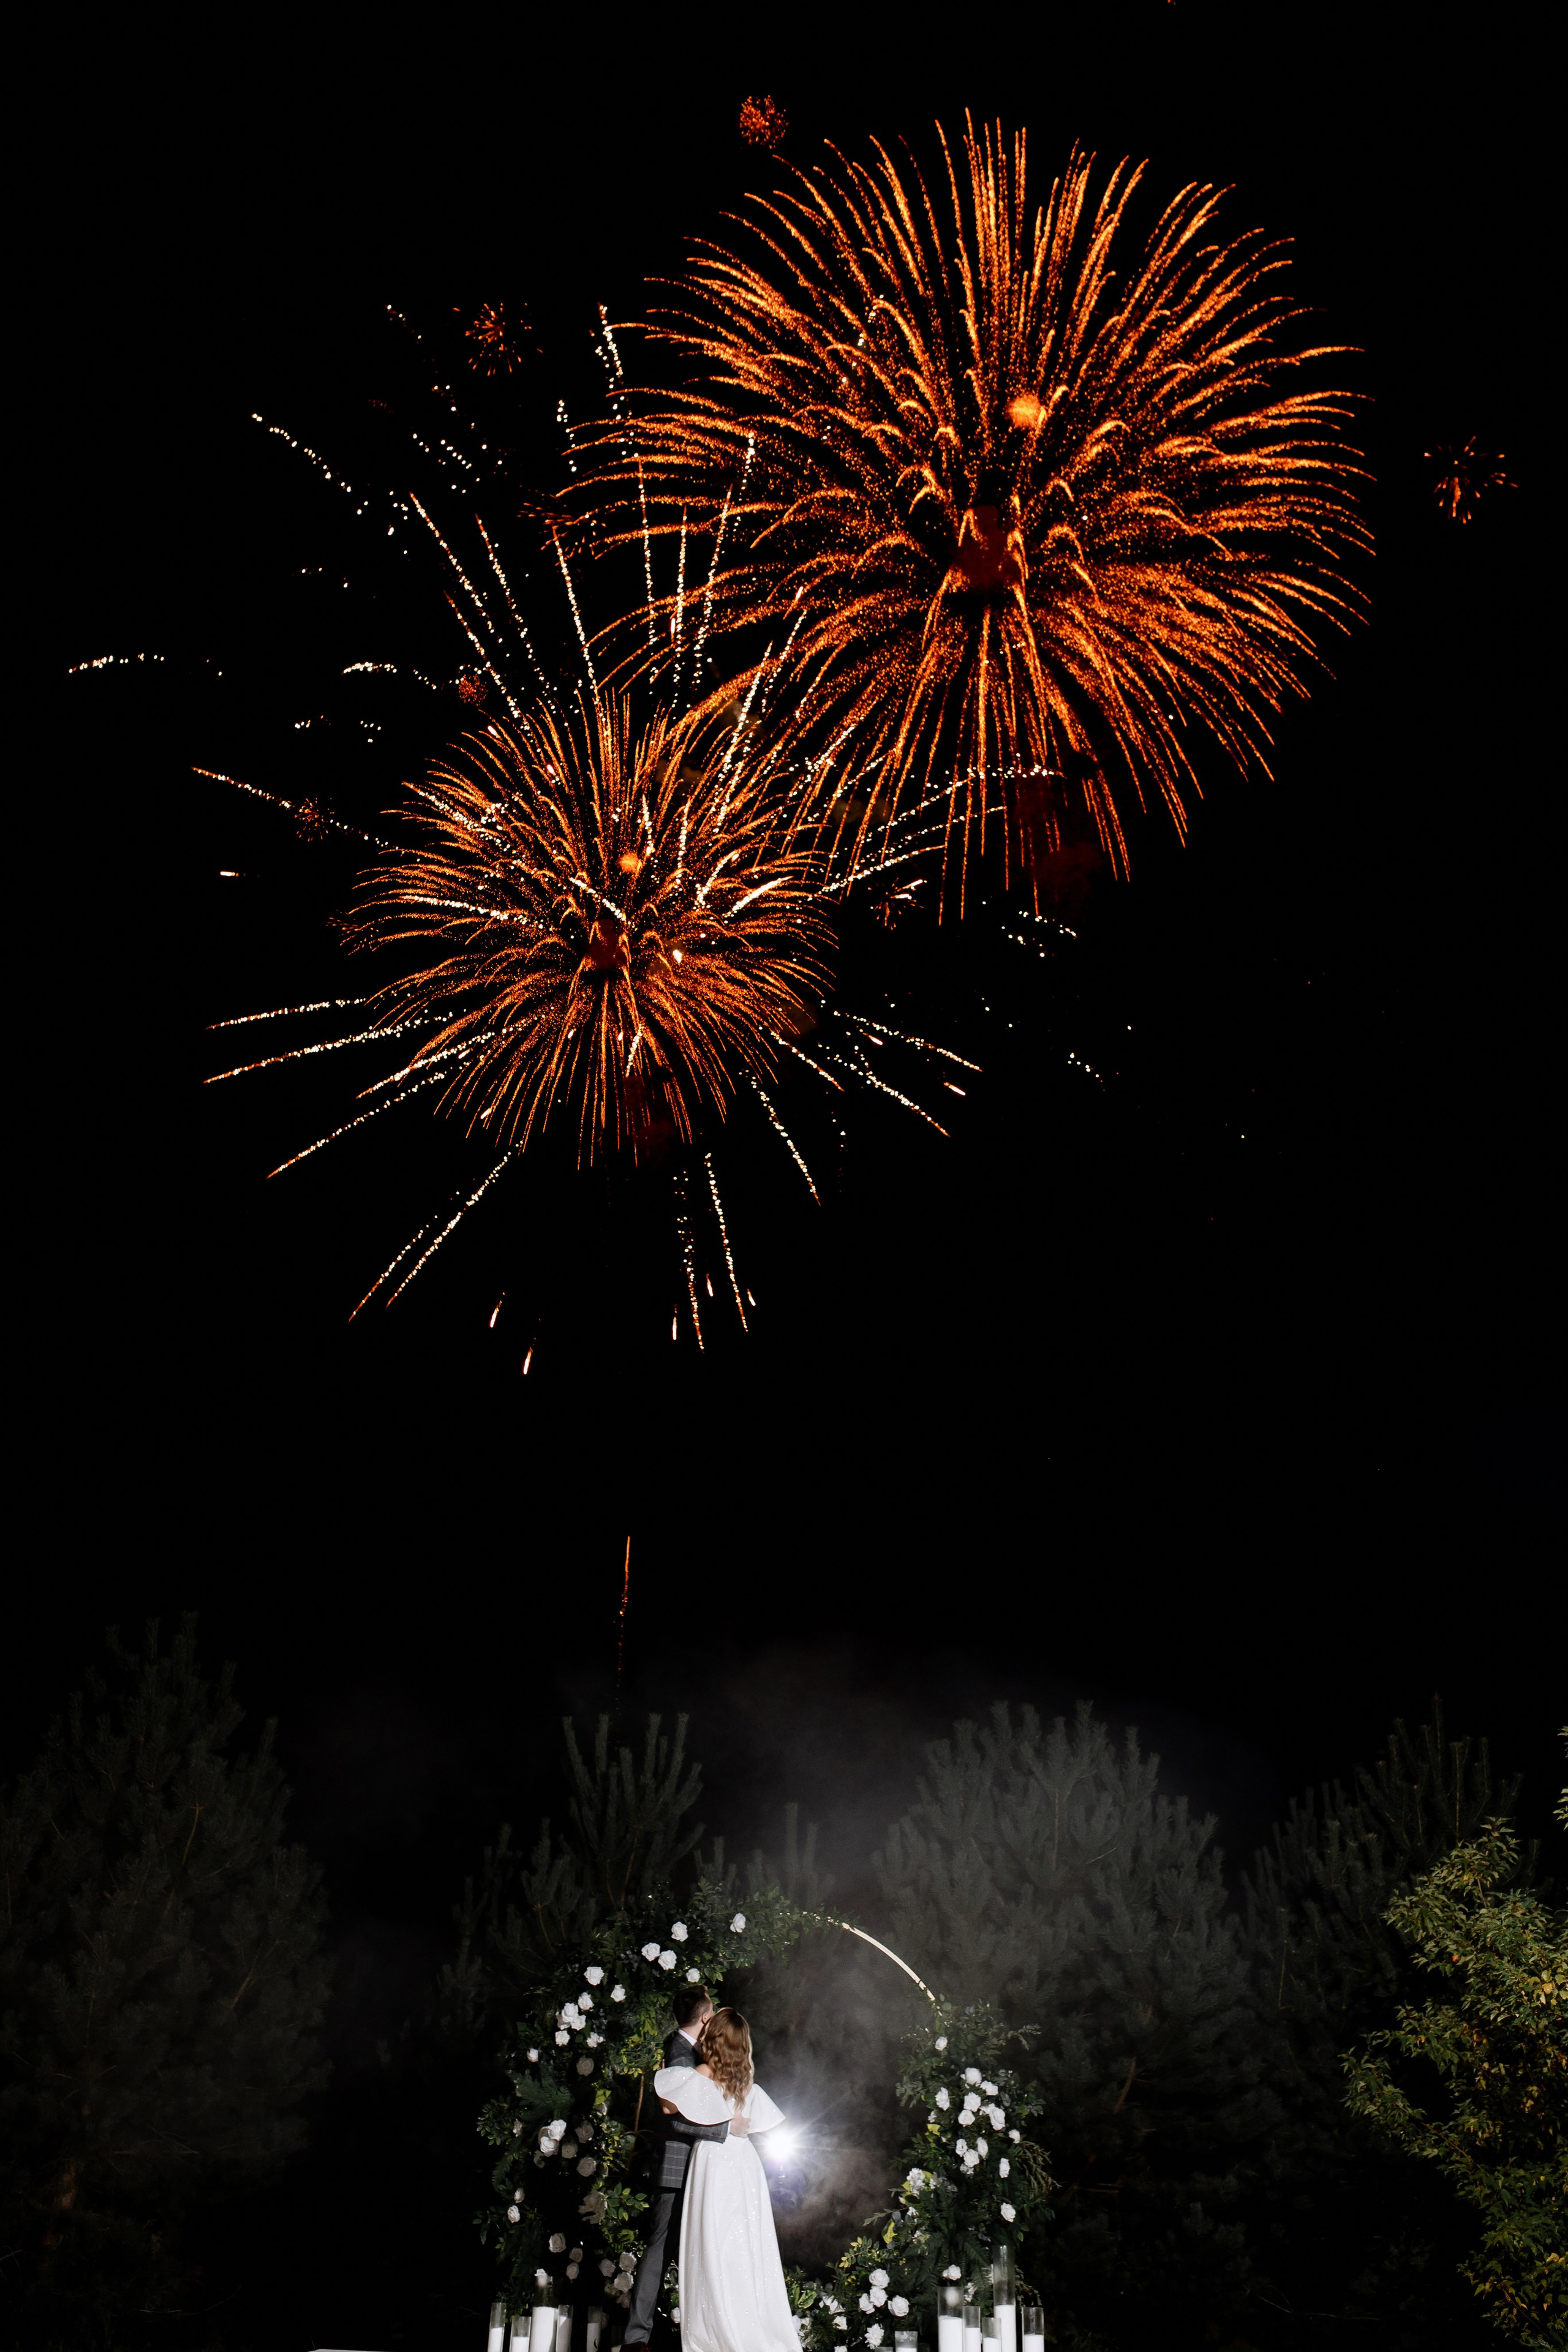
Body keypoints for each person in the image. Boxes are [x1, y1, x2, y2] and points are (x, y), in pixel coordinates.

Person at [652, 2006, 796, 2352]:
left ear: (713, 2040)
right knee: (742, 2243)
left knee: (711, 2239)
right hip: (744, 2162)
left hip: (715, 2161)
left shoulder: (703, 2072)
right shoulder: (746, 2080)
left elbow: (667, 2105)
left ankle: (716, 2326)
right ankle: (747, 2320)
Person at [622, 1986, 748, 2347]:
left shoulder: (691, 2051)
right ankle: (636, 2338)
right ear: (707, 2018)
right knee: (660, 2246)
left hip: (697, 2168)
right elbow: (675, 2116)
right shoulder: (679, 2053)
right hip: (677, 2167)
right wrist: (727, 2128)